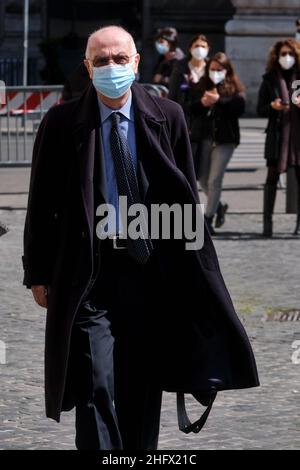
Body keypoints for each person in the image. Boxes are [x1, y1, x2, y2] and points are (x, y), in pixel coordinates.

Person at [22, 26, 258, 451]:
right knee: (95, 378)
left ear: (135, 62)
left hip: (151, 270)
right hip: (89, 271)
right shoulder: (61, 122)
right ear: (87, 67)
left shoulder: (167, 115)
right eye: (100, 60)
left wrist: (196, 272)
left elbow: (185, 192)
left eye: (119, 59)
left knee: (142, 384)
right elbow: (41, 203)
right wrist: (37, 272)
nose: (111, 67)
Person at [189, 52, 245, 234]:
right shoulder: (202, 84)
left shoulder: (234, 87)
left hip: (225, 139)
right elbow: (189, 107)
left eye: (219, 69)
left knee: (215, 180)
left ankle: (208, 219)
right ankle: (219, 206)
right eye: (212, 69)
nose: (215, 72)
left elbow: (239, 107)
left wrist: (219, 101)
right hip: (205, 136)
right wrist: (202, 103)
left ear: (226, 70)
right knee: (203, 178)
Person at [257, 39, 300, 237]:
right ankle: (267, 223)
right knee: (271, 178)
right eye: (283, 54)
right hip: (277, 134)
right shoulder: (269, 79)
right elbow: (260, 108)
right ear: (277, 56)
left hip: (297, 135)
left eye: (290, 54)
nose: (287, 58)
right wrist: (272, 107)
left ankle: (299, 224)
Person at [168, 34, 210, 128]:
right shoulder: (180, 67)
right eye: (196, 46)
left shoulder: (211, 67)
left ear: (208, 49)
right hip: (185, 117)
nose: (200, 49)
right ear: (190, 48)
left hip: (206, 121)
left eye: (203, 46)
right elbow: (173, 93)